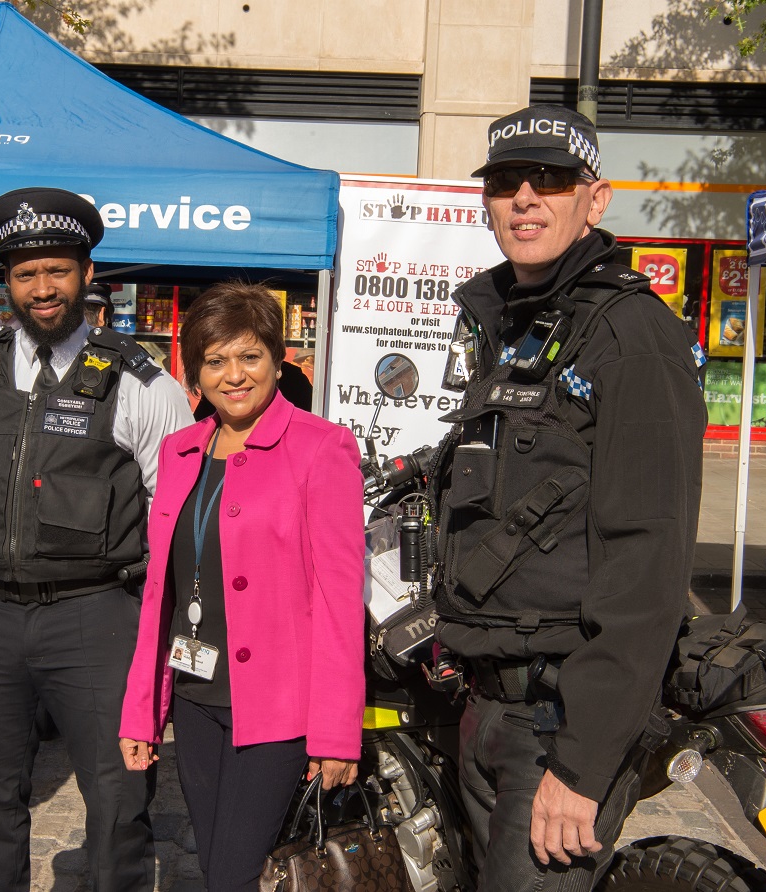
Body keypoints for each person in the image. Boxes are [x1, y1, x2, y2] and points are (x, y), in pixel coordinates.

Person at [429, 105, 706, 891]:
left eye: (548, 181)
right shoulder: (514, 324)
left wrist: (582, 765)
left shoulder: (630, 336)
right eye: (505, 183)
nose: (523, 198)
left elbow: (648, 564)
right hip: (487, 704)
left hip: (556, 724)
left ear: (596, 197)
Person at [0, 187, 193, 892]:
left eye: (57, 270)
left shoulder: (143, 383)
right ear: (5, 282)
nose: (42, 288)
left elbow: (173, 513)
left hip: (98, 618)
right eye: (25, 273)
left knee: (118, 801)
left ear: (85, 274)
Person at [119, 283, 366, 892]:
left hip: (279, 709)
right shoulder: (179, 452)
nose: (234, 375)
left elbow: (340, 600)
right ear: (194, 373)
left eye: (249, 356)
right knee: (217, 866)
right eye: (215, 360)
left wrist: (336, 729)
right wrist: (141, 711)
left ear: (278, 360)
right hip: (198, 698)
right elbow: (162, 596)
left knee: (228, 876)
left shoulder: (320, 447)